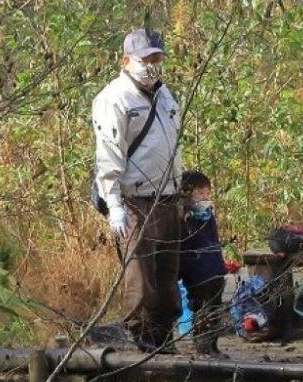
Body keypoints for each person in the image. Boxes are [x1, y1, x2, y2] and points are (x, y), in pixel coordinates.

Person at [92, 28, 184, 353]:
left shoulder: (166, 95)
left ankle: (164, 338)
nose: (152, 64)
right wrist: (113, 203)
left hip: (169, 199)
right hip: (135, 202)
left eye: (156, 57)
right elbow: (108, 155)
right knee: (140, 281)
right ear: (127, 60)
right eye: (146, 58)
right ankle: (142, 342)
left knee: (167, 279)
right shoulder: (114, 98)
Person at [178, 170, 227, 356]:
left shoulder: (208, 215)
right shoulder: (186, 218)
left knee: (215, 309)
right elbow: (185, 248)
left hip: (214, 269)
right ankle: (203, 347)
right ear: (188, 194)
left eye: (207, 193)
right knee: (201, 309)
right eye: (200, 193)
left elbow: (214, 241)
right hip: (197, 272)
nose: (205, 197)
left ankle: (212, 345)